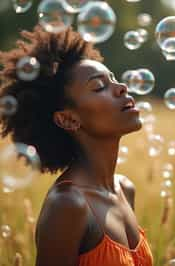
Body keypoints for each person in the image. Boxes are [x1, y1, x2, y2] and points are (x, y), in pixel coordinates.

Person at [0, 25, 153, 266]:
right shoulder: (68, 204)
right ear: (68, 119)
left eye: (112, 79)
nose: (121, 87)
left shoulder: (125, 188)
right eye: (99, 87)